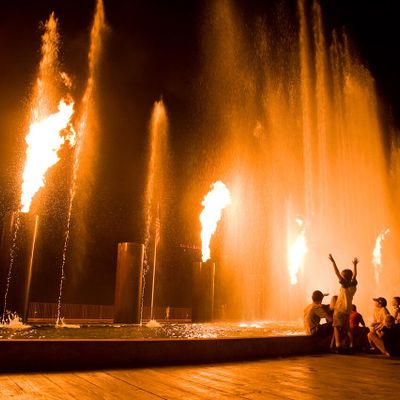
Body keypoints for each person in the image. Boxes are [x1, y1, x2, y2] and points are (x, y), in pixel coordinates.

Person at [328, 253, 358, 353]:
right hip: (348, 309)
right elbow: (355, 275)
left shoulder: (345, 285)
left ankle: (338, 346)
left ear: (344, 278)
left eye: (342, 275)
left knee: (336, 327)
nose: (340, 276)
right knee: (347, 328)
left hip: (340, 309)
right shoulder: (353, 285)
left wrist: (333, 262)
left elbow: (336, 273)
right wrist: (355, 265)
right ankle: (351, 345)